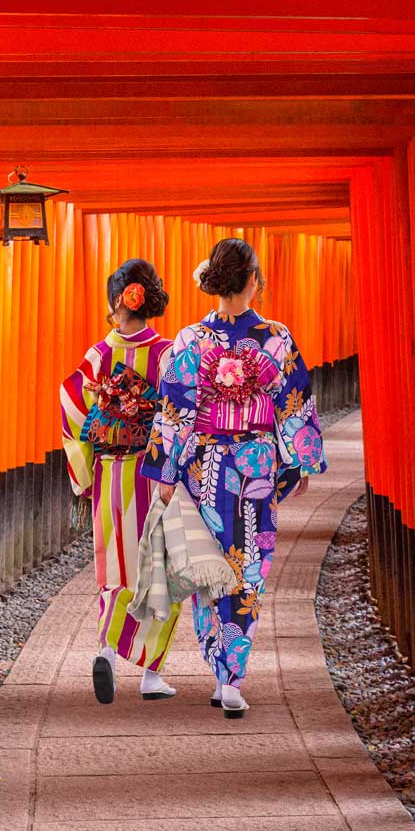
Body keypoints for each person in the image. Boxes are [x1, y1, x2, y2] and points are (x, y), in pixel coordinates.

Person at [141, 238, 327, 719]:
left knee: (210, 567)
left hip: (204, 467)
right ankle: (230, 678)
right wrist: (301, 459)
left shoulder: (190, 340)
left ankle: (220, 666)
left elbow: (174, 409)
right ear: (253, 282)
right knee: (248, 569)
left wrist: (167, 471)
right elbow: (294, 402)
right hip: (255, 466)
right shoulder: (276, 338)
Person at [59, 258, 182, 704]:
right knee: (161, 567)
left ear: (117, 302)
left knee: (115, 563)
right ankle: (151, 675)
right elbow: (178, 415)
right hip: (155, 474)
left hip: (111, 472)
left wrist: (85, 474)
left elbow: (72, 406)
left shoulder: (98, 356)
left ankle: (107, 650)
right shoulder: (167, 354)